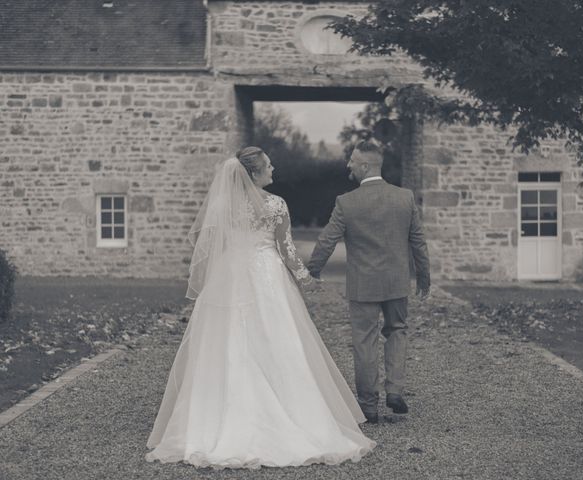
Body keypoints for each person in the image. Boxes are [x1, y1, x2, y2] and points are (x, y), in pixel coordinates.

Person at [145, 147, 374, 469]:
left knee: (224, 343)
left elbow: (213, 247)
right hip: (267, 275)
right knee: (277, 340)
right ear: (253, 173)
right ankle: (294, 415)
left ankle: (213, 417)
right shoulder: (275, 204)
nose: (273, 168)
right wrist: (305, 276)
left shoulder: (222, 205)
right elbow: (287, 248)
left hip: (229, 276)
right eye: (268, 165)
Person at [307, 140, 430, 424]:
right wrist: (423, 277)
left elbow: (327, 240)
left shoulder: (346, 202)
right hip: (397, 282)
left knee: (365, 341)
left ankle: (368, 405)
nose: (348, 164)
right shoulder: (404, 197)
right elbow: (418, 242)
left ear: (365, 166)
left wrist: (312, 270)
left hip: (363, 284)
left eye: (352, 160)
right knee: (398, 330)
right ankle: (395, 390)